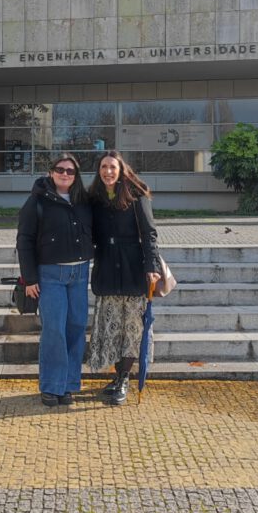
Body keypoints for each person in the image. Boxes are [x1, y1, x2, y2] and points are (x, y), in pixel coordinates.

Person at [17, 152, 94, 407]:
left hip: (80, 275)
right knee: (54, 331)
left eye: (70, 171)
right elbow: (24, 241)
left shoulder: (83, 201)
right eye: (60, 169)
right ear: (51, 172)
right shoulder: (37, 201)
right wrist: (29, 279)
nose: (65, 174)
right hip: (50, 276)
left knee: (75, 328)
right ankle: (51, 385)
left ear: (76, 176)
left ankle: (69, 385)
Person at [87, 150, 161, 405]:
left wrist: (152, 267)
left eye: (112, 167)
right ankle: (118, 375)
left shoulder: (136, 194)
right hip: (106, 267)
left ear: (121, 170)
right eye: (104, 167)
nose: (108, 171)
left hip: (132, 268)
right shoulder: (94, 198)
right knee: (112, 329)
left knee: (131, 328)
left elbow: (149, 233)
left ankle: (124, 379)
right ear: (99, 171)